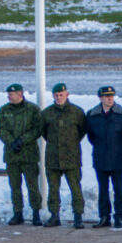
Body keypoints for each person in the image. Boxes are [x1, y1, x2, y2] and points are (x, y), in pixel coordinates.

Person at [41, 82, 87, 228]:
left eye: (61, 95)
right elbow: (44, 132)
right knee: (53, 189)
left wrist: (70, 143)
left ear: (67, 94)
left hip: (71, 157)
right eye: (56, 95)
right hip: (53, 157)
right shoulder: (47, 113)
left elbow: (82, 130)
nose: (59, 97)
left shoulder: (77, 112)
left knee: (75, 187)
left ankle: (78, 216)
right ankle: (54, 215)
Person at [0, 83, 42, 225]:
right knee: (15, 186)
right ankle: (18, 213)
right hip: (12, 155)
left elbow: (37, 128)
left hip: (29, 155)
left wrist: (23, 140)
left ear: (20, 94)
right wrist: (11, 142)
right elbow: (0, 129)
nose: (9, 96)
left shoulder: (33, 109)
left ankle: (36, 213)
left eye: (12, 93)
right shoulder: (4, 110)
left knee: (33, 186)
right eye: (8, 94)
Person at [86, 85, 122, 229]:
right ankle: (104, 216)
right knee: (103, 190)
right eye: (106, 96)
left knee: (119, 189)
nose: (110, 99)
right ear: (100, 98)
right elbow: (91, 136)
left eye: (112, 96)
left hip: (117, 157)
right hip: (100, 158)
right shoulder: (92, 114)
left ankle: (119, 217)